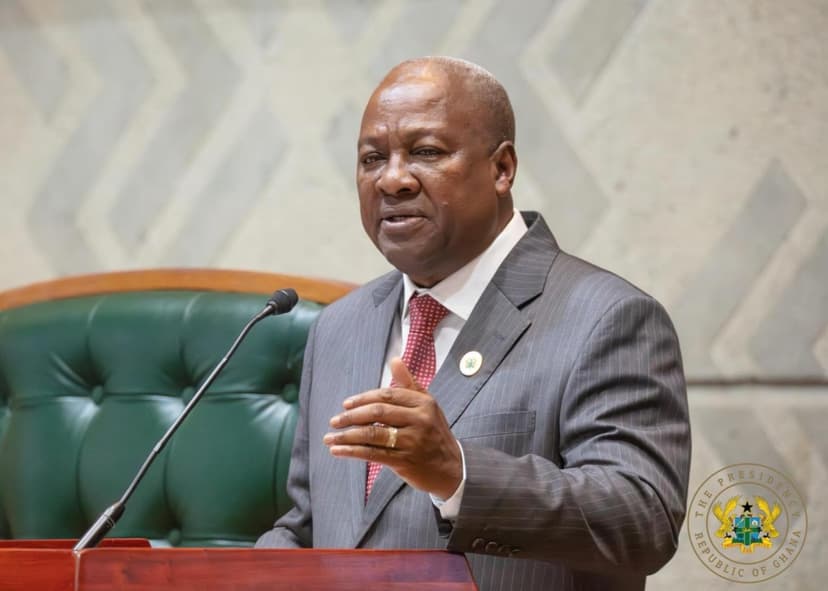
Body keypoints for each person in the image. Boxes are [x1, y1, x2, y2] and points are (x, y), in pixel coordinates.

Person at [257, 56, 691, 591]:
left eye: (426, 152)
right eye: (372, 158)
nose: (392, 179)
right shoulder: (339, 326)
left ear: (502, 168)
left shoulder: (607, 318)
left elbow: (643, 520)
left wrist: (458, 473)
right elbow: (310, 526)